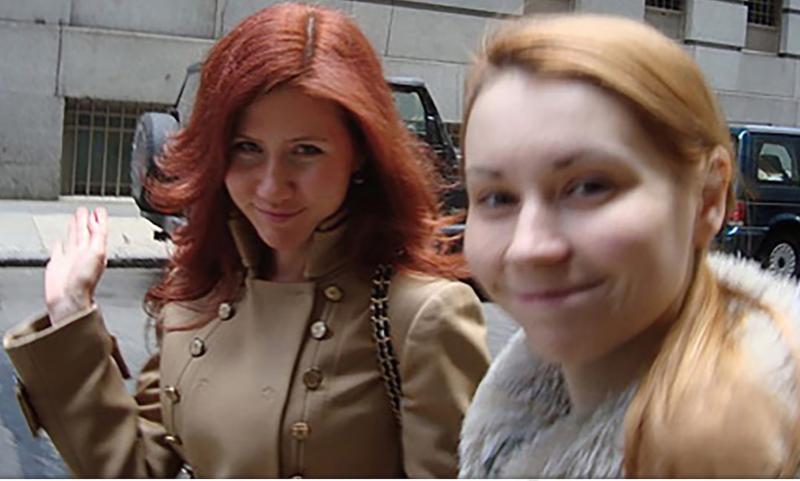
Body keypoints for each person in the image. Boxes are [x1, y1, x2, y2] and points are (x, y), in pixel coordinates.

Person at [3, 3, 490, 478]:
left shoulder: (421, 317)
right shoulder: (200, 289)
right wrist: (70, 311)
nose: (272, 186)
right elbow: (136, 468)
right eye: (248, 148)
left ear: (359, 154)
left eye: (306, 150)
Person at [457, 14, 800, 478]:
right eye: (497, 198)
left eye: (590, 187)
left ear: (707, 197)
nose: (528, 247)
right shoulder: (512, 413)